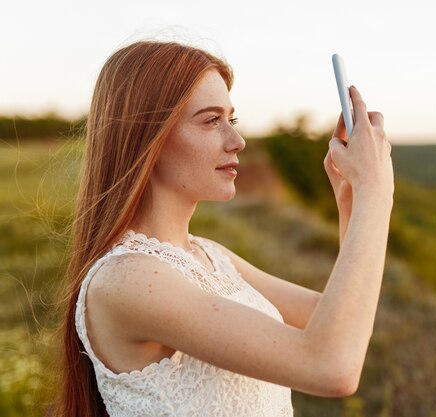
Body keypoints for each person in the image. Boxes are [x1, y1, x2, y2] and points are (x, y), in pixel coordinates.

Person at [55, 40, 394, 417]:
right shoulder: (126, 279)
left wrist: (349, 203)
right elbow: (332, 367)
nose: (237, 141)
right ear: (146, 137)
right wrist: (375, 194)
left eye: (230, 120)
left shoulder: (208, 256)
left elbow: (341, 319)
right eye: (211, 120)